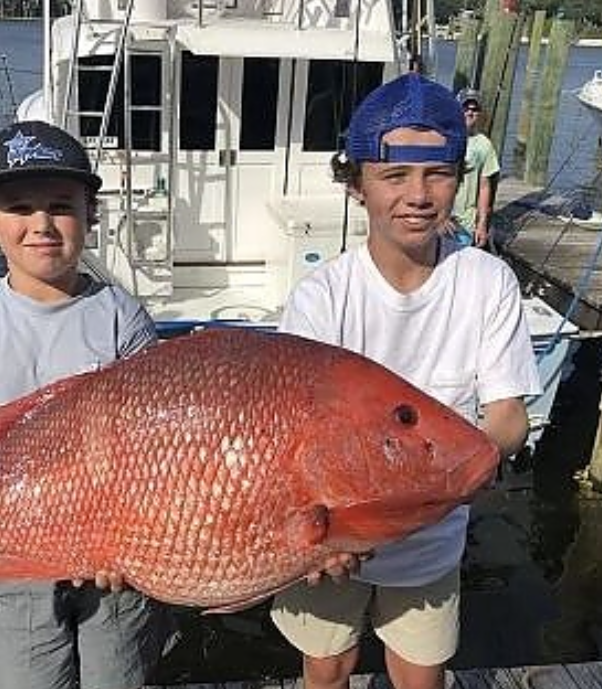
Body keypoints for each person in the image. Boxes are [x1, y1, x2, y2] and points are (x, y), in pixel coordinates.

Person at [270, 72, 542, 689]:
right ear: (358, 185)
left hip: (432, 540)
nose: (418, 194)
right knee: (327, 664)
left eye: (437, 173)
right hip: (332, 531)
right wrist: (318, 534)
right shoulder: (323, 296)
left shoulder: (486, 281)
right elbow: (293, 439)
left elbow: (508, 417)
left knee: (422, 674)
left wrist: (457, 476)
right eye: (394, 176)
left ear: (459, 177)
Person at [0, 120, 174, 689]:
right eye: (19, 207)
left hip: (108, 556)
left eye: (60, 206)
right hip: (9, 554)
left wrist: (138, 538)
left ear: (90, 215)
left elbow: (156, 448)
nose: (41, 224)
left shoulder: (122, 316)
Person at [450, 87, 500, 248]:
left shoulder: (484, 145)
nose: (470, 112)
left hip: (466, 224)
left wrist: (482, 224)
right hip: (442, 221)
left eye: (475, 109)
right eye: (465, 108)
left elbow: (485, 187)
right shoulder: (443, 138)